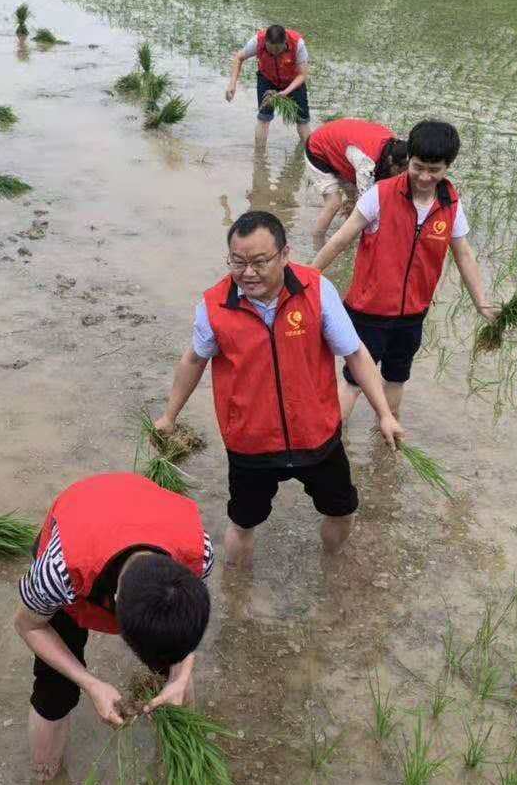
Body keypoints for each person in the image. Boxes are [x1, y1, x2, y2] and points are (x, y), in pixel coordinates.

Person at [155, 211, 406, 574]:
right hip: (251, 442)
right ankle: (237, 590)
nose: (248, 273)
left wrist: (384, 413)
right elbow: (194, 361)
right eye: (238, 262)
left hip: (317, 435)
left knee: (341, 510)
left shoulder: (316, 290)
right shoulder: (214, 306)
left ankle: (333, 571)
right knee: (242, 522)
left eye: (260, 261)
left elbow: (355, 353)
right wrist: (169, 416)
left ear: (285, 254)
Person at [13, 473, 213, 780]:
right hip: (82, 520)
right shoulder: (58, 571)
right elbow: (28, 626)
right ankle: (45, 777)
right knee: (55, 691)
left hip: (138, 510)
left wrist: (179, 677)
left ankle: (179, 759)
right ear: (114, 602)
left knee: (176, 678)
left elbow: (182, 635)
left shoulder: (199, 552)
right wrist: (91, 684)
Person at [312, 120, 499, 423]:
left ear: (447, 167)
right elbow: (341, 239)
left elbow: (463, 254)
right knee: (354, 381)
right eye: (418, 166)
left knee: (396, 378)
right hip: (368, 311)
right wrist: (309, 275)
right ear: (408, 159)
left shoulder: (450, 204)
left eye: (434, 170)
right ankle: (329, 444)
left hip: (413, 314)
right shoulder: (380, 195)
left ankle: (385, 440)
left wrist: (482, 303)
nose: (424, 177)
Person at [304, 117, 409, 249]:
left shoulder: (394, 145)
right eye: (400, 171)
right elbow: (367, 206)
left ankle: (348, 237)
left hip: (343, 150)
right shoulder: (367, 163)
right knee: (334, 202)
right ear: (391, 162)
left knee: (354, 199)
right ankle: (317, 242)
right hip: (317, 149)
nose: (401, 176)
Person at [225, 25, 311, 143]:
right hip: (267, 78)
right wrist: (232, 83)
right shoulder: (257, 41)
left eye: (278, 51)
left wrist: (286, 92)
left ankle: (309, 153)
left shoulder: (298, 44)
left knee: (302, 120)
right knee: (263, 118)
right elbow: (239, 58)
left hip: (293, 81)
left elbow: (302, 75)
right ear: (265, 42)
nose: (275, 54)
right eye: (271, 50)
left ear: (285, 42)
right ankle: (259, 158)